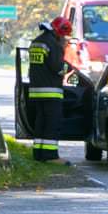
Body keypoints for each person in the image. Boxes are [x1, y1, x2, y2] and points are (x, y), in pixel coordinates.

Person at [29, 16, 73, 164]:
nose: (64, 38)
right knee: (52, 123)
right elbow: (58, 68)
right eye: (64, 35)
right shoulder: (53, 45)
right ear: (60, 32)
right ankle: (50, 156)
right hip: (51, 91)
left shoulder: (37, 42)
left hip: (36, 90)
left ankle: (39, 153)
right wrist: (69, 67)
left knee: (41, 121)